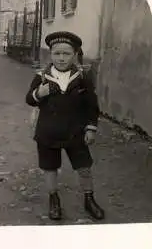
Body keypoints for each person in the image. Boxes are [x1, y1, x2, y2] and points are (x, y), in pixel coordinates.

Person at [25, 31, 105, 221]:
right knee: (50, 167)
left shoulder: (82, 77)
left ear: (75, 55)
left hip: (75, 132)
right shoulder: (42, 77)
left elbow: (91, 106)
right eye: (57, 54)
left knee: (84, 166)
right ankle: (54, 199)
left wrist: (90, 128)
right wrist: (39, 93)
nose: (61, 58)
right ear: (51, 54)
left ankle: (89, 199)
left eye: (66, 54)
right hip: (48, 132)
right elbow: (29, 99)